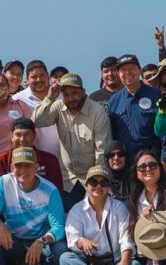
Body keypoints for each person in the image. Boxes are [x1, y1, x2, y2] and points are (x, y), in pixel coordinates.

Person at [0, 146, 67, 265]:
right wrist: (0, 226)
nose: (23, 170)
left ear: (36, 167)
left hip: (41, 242)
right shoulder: (3, 182)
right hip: (13, 241)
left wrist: (41, 241)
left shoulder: (50, 190)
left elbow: (59, 227)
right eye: (19, 166)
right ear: (11, 167)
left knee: (61, 250)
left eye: (28, 166)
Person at [32, 73, 112, 209]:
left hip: (91, 179)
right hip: (67, 180)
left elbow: (102, 151)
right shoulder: (58, 106)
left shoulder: (98, 112)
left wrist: (96, 181)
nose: (70, 98)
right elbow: (36, 121)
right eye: (66, 94)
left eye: (74, 93)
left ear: (83, 92)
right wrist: (49, 97)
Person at [59, 165, 139, 265]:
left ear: (108, 187)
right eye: (93, 182)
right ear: (86, 185)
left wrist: (124, 261)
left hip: (113, 263)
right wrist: (82, 241)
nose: (98, 186)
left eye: (103, 183)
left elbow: (126, 239)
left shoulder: (119, 208)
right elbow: (72, 238)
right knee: (65, 258)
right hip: (86, 263)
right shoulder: (76, 209)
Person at [0, 118, 64, 193]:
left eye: (27, 134)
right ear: (11, 137)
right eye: (18, 135)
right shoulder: (1, 161)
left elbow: (57, 191)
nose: (22, 139)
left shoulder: (50, 160)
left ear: (34, 136)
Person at [107, 54, 162, 157]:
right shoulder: (114, 100)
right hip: (126, 160)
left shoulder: (155, 95)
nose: (128, 73)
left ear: (140, 70)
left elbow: (165, 131)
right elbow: (112, 134)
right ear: (118, 74)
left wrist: (165, 159)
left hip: (152, 159)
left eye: (131, 69)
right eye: (123, 70)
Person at [13, 60, 60, 158]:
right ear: (27, 80)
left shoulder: (61, 95)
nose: (39, 80)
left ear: (48, 77)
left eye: (42, 75)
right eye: (34, 77)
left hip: (64, 159)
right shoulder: (18, 99)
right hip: (32, 160)